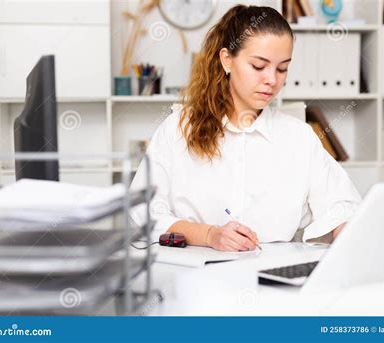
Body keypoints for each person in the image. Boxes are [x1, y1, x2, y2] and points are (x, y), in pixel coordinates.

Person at [131, 5, 361, 252]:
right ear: (227, 60)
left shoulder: (298, 136)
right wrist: (209, 235)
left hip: (273, 275)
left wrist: (347, 228)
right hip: (195, 274)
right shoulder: (178, 128)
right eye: (259, 66)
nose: (272, 80)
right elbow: (141, 210)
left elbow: (341, 205)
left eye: (282, 68)